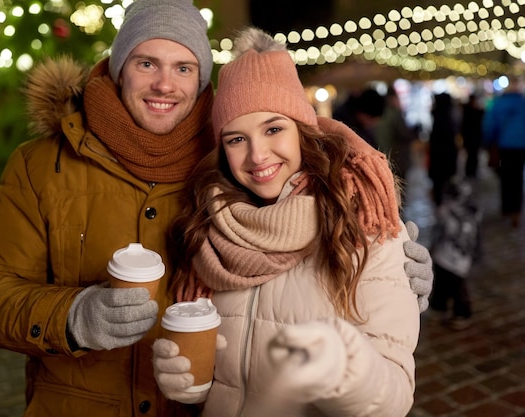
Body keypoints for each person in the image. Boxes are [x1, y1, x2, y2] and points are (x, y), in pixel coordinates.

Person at [0, 3, 432, 415]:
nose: (165, 83)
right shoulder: (43, 164)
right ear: (119, 67)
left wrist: (389, 268)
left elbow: (308, 237)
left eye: (184, 67)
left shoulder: (225, 165)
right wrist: (73, 315)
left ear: (201, 79)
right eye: (147, 62)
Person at [152, 27, 420, 417]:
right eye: (236, 139)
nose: (257, 155)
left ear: (303, 131)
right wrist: (191, 386)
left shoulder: (360, 225)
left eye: (274, 129)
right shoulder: (208, 228)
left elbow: (394, 398)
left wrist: (347, 370)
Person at [429, 176, 481, 330]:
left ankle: (461, 312)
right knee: (442, 285)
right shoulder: (452, 211)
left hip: (456, 258)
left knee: (458, 288)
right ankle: (439, 307)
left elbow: (473, 239)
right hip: (446, 256)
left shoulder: (468, 214)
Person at [482, 77, 525, 228]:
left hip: (505, 146)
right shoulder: (522, 102)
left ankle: (507, 208)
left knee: (506, 177)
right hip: (521, 146)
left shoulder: (499, 103)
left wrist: (488, 142)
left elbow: (490, 124)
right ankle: (516, 211)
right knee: (518, 178)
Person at [375, 86, 415, 182]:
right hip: (397, 158)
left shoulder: (381, 113)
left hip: (385, 156)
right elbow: (403, 133)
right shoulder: (394, 114)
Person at [428, 92, 459, 206]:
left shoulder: (440, 119)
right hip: (444, 161)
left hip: (439, 161)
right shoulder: (446, 118)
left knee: (440, 190)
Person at [460, 93, 485, 178]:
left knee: (472, 155)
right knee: (472, 155)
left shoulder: (466, 111)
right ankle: (471, 172)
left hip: (470, 137)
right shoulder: (473, 112)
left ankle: (471, 171)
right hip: (473, 137)